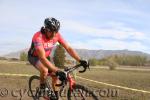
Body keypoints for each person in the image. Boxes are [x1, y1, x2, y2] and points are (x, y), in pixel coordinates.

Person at [28, 17, 88, 99]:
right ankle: (42, 88)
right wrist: (57, 71)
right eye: (51, 31)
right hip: (34, 57)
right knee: (45, 70)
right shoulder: (38, 37)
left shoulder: (57, 35)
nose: (53, 34)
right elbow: (41, 58)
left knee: (55, 76)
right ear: (46, 29)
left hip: (45, 57)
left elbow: (68, 48)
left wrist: (80, 60)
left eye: (55, 31)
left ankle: (56, 96)